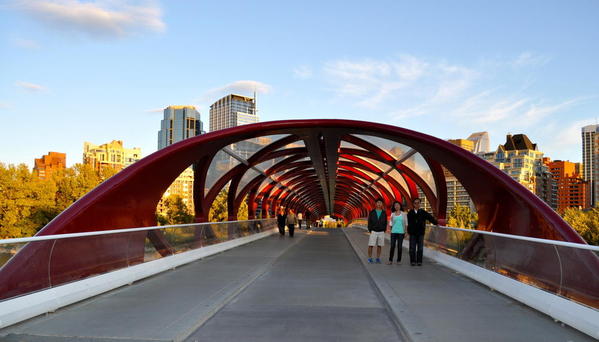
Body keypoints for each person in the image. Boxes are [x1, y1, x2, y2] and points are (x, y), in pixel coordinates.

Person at [407, 198, 438, 266]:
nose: (417, 204)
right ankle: (412, 261)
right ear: (413, 204)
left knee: (420, 248)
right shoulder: (410, 213)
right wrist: (408, 231)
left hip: (420, 233)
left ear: (420, 204)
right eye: (415, 203)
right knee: (412, 248)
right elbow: (407, 223)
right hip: (412, 233)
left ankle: (419, 261)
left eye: (418, 203)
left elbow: (430, 218)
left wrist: (436, 223)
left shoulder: (423, 212)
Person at [367, 198, 387, 264]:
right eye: (378, 202)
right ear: (375, 204)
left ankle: (378, 258)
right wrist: (370, 229)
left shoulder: (384, 213)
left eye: (380, 203)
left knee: (379, 245)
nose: (379, 204)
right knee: (371, 245)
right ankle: (370, 258)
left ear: (382, 204)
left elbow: (385, 222)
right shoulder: (372, 212)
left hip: (381, 231)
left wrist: (384, 229)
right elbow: (369, 221)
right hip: (373, 231)